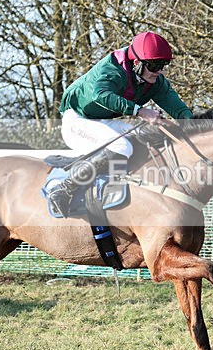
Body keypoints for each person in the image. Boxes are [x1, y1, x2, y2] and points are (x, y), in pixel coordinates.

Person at [49, 31, 194, 217]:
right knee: (122, 146)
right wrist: (141, 111)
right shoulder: (111, 69)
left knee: (143, 138)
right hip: (76, 120)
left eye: (163, 65)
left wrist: (196, 129)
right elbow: (100, 95)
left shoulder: (154, 80)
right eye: (154, 65)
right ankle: (63, 190)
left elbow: (180, 110)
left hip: (101, 121)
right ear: (136, 63)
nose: (159, 71)